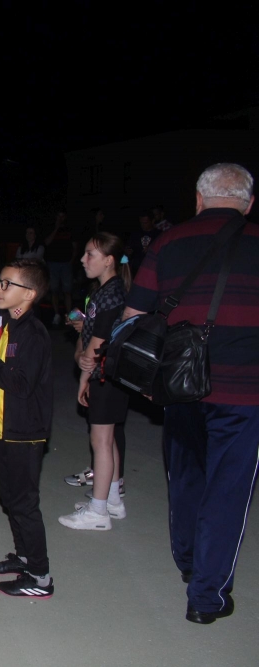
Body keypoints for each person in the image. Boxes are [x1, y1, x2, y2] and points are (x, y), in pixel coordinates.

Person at [123, 163, 259, 624]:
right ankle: (206, 596)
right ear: (248, 203)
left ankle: (188, 561)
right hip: (244, 392)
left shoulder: (168, 242)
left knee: (185, 475)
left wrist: (134, 373)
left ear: (198, 200)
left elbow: (133, 316)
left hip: (180, 381)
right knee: (228, 490)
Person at [0, 259, 54, 599]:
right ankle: (24, 558)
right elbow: (7, 373)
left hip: (25, 432)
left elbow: (21, 384)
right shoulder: (11, 326)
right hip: (5, 428)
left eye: (7, 284)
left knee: (24, 503)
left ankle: (40, 576)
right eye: (0, 281)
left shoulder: (32, 333)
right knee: (10, 498)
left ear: (29, 294)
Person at [58, 233, 130, 531]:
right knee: (108, 440)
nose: (83, 259)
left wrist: (84, 378)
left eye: (90, 254)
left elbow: (97, 343)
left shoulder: (110, 294)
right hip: (111, 374)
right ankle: (112, 501)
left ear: (109, 260)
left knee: (100, 441)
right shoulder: (107, 290)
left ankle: (98, 511)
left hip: (105, 375)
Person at [44, 211, 77, 326]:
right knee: (54, 290)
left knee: (67, 291)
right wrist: (56, 228)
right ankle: (56, 314)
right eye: (59, 216)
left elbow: (75, 247)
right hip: (53, 264)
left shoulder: (69, 229)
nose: (61, 218)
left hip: (66, 264)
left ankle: (69, 316)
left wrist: (71, 261)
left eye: (63, 216)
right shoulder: (51, 228)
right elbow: (47, 242)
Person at [124, 211, 160, 276]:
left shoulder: (159, 234)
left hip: (153, 269)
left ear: (152, 221)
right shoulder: (135, 234)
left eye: (145, 223)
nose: (143, 225)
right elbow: (128, 250)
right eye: (141, 223)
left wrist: (152, 248)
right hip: (137, 269)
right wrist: (127, 252)